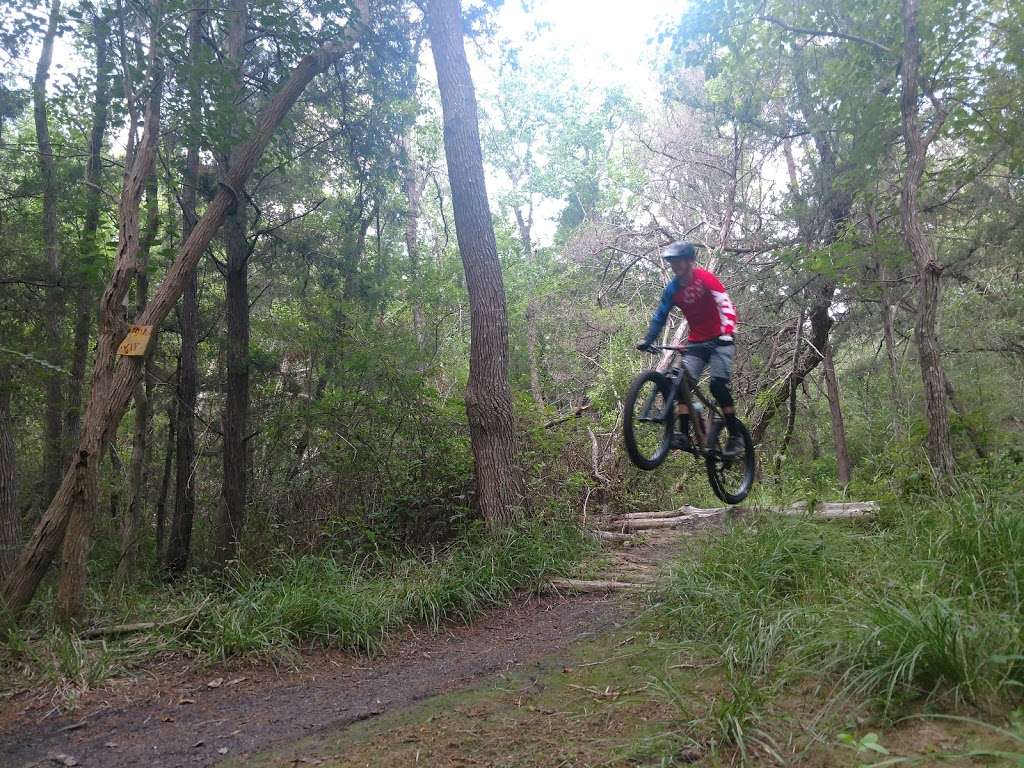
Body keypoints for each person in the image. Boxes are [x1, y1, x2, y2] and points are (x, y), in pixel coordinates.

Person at [636, 241, 742, 455]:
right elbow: (660, 316)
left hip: (721, 338)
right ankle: (683, 434)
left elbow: (726, 305)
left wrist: (727, 331)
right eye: (672, 262)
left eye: (679, 261)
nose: (675, 265)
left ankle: (735, 436)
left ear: (690, 261)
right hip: (697, 342)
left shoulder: (705, 279)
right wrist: (648, 338)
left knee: (717, 386)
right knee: (681, 382)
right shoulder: (672, 289)